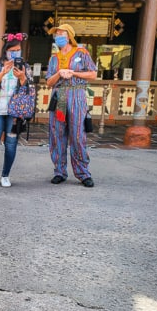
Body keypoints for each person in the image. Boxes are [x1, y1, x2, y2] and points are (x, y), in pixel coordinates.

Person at [46, 23, 97, 188]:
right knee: (57, 134)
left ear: (69, 36)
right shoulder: (54, 58)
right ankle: (59, 171)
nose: (58, 36)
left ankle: (83, 173)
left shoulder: (81, 53)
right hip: (59, 95)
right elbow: (48, 82)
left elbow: (93, 74)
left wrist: (73, 73)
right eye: (56, 34)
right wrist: (58, 74)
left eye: (61, 33)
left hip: (77, 94)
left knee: (77, 135)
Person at [0, 32, 32, 188]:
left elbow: (30, 91)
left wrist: (23, 79)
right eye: (13, 50)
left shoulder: (25, 67)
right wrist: (2, 72)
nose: (16, 52)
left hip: (14, 113)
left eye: (18, 49)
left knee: (11, 144)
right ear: (6, 50)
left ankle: (5, 175)